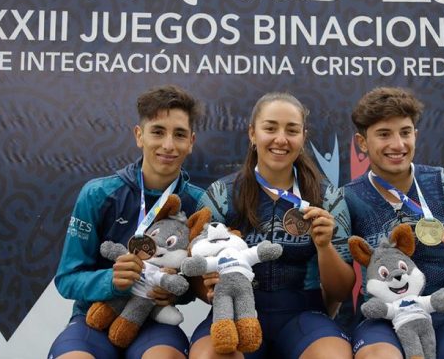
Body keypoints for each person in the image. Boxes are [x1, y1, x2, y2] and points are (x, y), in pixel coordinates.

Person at [188, 92, 354, 359]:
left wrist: (324, 247)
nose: (281, 139)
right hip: (233, 312)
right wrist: (208, 286)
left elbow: (341, 291)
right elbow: (195, 278)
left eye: (292, 130)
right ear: (253, 133)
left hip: (303, 315)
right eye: (270, 128)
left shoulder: (328, 197)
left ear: (303, 136)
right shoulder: (221, 194)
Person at [344, 87, 444, 359]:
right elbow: (336, 285)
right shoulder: (347, 198)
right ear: (362, 142)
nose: (398, 145)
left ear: (415, 135)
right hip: (382, 320)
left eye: (405, 132)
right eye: (384, 134)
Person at [48, 85, 205, 359]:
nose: (168, 144)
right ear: (139, 135)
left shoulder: (199, 204)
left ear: (191, 142)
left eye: (179, 134)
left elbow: (195, 279)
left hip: (154, 321)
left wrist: (175, 294)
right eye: (157, 131)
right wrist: (111, 280)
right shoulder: (98, 194)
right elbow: (67, 278)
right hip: (94, 318)